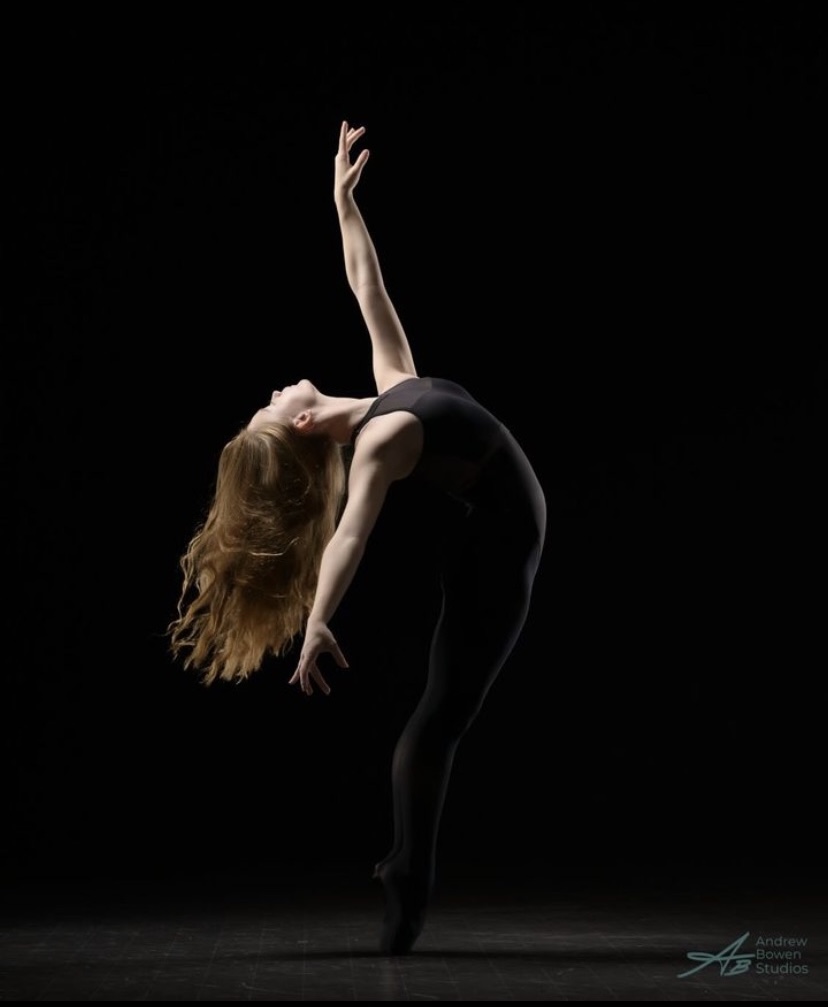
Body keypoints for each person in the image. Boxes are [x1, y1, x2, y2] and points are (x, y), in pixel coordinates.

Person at [168, 121, 547, 955]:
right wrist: (317, 619)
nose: (274, 389)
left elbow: (366, 282)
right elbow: (351, 535)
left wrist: (343, 203)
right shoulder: (382, 439)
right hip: (500, 549)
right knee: (440, 719)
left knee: (443, 714)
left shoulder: (391, 390)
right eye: (270, 405)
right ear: (302, 423)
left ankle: (406, 873)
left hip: (491, 539)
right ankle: (408, 883)